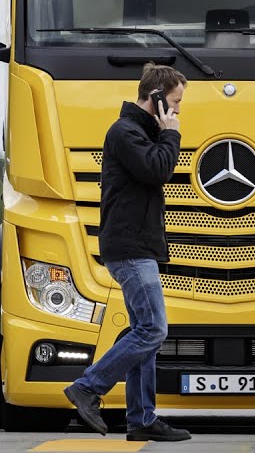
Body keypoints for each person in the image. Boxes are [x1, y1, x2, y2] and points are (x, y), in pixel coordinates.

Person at [63, 62, 191, 442]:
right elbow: (158, 171)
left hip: (137, 247)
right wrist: (172, 134)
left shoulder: (138, 132)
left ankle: (141, 420)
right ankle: (88, 387)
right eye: (175, 102)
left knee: (142, 331)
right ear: (156, 99)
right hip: (130, 249)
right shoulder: (125, 132)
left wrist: (163, 133)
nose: (179, 111)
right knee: (154, 329)